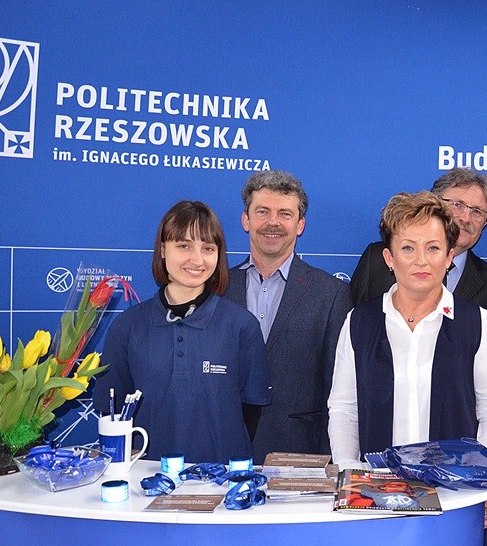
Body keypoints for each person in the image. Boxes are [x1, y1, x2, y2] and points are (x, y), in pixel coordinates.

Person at [327, 191, 487, 525]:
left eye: (433, 248)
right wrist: (351, 474)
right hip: (373, 496)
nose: (421, 260)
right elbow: (344, 408)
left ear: (449, 256)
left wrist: (482, 482)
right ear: (389, 257)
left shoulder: (476, 322)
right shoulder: (359, 322)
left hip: (455, 497)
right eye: (408, 248)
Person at [94, 201, 271, 464]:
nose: (197, 260)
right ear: (162, 250)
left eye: (208, 248)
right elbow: (112, 410)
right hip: (147, 478)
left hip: (222, 480)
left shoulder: (241, 325)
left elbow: (252, 409)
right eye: (184, 246)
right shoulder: (128, 327)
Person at [225, 170, 352, 461]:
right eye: (262, 212)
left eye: (284, 213)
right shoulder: (217, 288)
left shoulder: (331, 294)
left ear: (300, 224)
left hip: (300, 457)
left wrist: (329, 465)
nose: (273, 222)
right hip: (223, 454)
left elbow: (338, 392)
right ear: (246, 220)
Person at [349, 168, 487, 315]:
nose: (466, 218)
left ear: (485, 223)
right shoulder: (376, 260)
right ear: (435, 205)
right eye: (457, 205)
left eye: (477, 211)